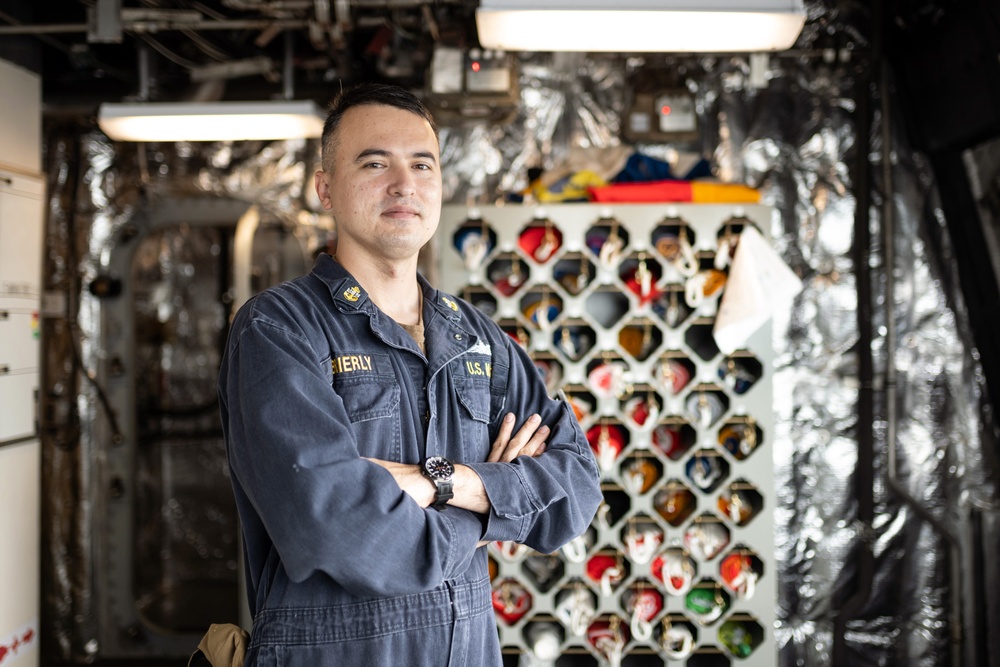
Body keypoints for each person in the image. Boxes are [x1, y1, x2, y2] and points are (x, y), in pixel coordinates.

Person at [217, 82, 603, 666]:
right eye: (375, 164)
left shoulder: (475, 337)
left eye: (422, 165)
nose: (405, 185)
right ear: (324, 188)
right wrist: (490, 502)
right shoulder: (278, 331)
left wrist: (440, 482)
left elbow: (574, 486)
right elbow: (337, 526)